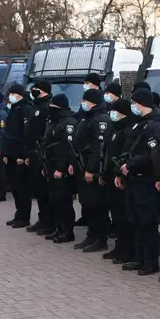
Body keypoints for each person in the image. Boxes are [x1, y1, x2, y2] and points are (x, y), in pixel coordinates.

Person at [120, 89, 160, 275]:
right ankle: (140, 258)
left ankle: (151, 261)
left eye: (134, 103)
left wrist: (132, 164)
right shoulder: (139, 124)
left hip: (146, 179)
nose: (132, 106)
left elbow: (152, 154)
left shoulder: (155, 126)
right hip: (133, 179)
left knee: (148, 222)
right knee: (136, 221)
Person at [73, 88, 111, 252]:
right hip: (82, 165)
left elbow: (98, 147)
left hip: (93, 169)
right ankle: (92, 234)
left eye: (85, 101)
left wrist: (91, 169)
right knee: (87, 203)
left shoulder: (100, 119)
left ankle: (100, 238)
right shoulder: (87, 117)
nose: (83, 104)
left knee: (97, 205)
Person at [103, 100, 137, 264]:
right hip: (112, 176)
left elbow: (125, 154)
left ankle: (128, 249)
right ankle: (120, 246)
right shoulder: (115, 128)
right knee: (117, 215)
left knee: (125, 216)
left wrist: (119, 173)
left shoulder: (129, 130)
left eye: (116, 111)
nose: (112, 113)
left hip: (122, 177)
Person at [44, 94, 79, 242]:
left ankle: (67, 230)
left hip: (61, 168)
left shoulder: (69, 122)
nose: (50, 109)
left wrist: (61, 168)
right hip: (51, 165)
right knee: (54, 200)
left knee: (63, 200)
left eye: (53, 106)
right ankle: (59, 227)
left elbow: (68, 148)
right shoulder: (54, 121)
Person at [2, 85, 34, 228]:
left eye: (13, 93)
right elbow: (8, 133)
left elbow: (26, 134)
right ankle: (18, 214)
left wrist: (23, 155)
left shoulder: (26, 109)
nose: (11, 96)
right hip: (10, 153)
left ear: (20, 95)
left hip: (19, 154)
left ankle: (24, 217)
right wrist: (5, 153)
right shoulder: (14, 109)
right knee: (14, 187)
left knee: (22, 188)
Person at [26, 82, 54, 235]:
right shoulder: (36, 106)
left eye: (35, 89)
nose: (32, 92)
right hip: (34, 151)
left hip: (42, 152)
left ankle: (49, 221)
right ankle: (42, 219)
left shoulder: (46, 107)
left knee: (44, 190)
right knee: (38, 189)